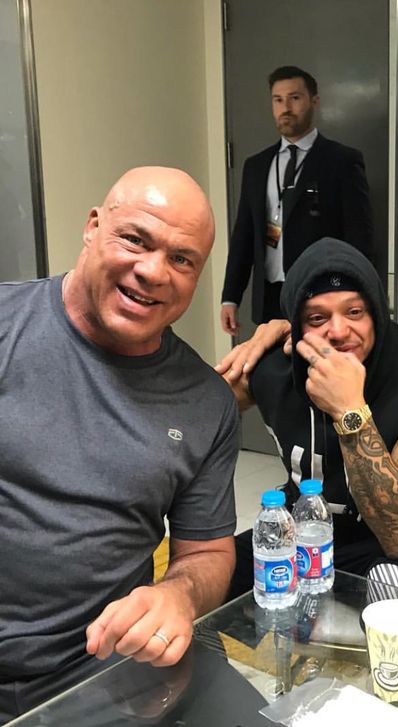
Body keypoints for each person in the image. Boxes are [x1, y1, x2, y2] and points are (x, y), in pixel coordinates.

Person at [0, 167, 239, 723]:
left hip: (102, 664)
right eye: (135, 239)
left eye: (182, 259)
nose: (153, 271)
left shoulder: (206, 402)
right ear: (92, 227)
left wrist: (178, 596)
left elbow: (205, 553)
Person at [217, 237, 398, 600]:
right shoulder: (277, 363)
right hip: (305, 526)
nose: (338, 332)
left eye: (354, 312)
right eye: (317, 318)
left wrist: (349, 411)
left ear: (378, 313)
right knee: (209, 573)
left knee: (393, 592)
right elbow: (197, 412)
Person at [220, 65, 373, 331]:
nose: (285, 108)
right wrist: (230, 297)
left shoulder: (341, 161)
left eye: (295, 98)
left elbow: (359, 236)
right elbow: (243, 235)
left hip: (322, 293)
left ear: (314, 101)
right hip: (269, 297)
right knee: (269, 370)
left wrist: (357, 296)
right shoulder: (256, 166)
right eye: (278, 100)